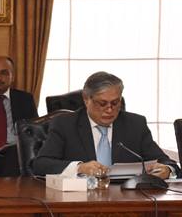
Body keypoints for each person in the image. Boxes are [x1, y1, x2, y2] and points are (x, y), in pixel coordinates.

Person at [32, 72, 179, 178]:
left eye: (115, 103)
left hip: (126, 201)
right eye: (102, 103)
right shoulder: (65, 124)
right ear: (86, 99)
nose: (109, 110)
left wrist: (167, 169)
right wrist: (79, 167)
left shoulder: (135, 124)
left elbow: (166, 161)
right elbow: (41, 164)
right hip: (79, 200)